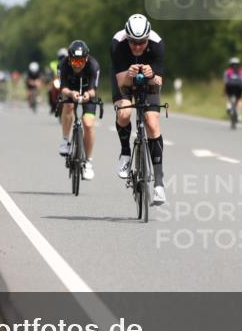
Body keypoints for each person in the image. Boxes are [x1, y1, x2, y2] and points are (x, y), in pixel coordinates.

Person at [111, 13, 167, 206]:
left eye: (141, 42)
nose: (137, 47)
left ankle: (159, 184)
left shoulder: (157, 44)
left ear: (148, 38)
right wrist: (129, 74)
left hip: (149, 82)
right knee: (125, 113)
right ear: (127, 38)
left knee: (152, 122)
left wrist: (152, 76)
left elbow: (159, 82)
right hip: (123, 80)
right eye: (133, 42)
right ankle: (125, 153)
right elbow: (120, 82)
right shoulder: (118, 44)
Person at [57, 40, 100, 180]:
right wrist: (71, 94)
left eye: (81, 62)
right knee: (68, 106)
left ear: (86, 59)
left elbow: (93, 90)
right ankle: (65, 140)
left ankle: (88, 162)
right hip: (70, 91)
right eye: (74, 61)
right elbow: (62, 88)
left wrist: (88, 94)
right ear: (69, 58)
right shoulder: (63, 64)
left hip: (88, 93)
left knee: (88, 123)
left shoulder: (93, 65)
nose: (78, 65)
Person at [223, 57, 242, 121]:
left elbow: (225, 81)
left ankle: (228, 106)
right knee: (240, 99)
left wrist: (224, 91)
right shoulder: (241, 71)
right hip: (239, 86)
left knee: (229, 96)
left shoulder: (227, 71)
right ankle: (240, 115)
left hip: (229, 86)